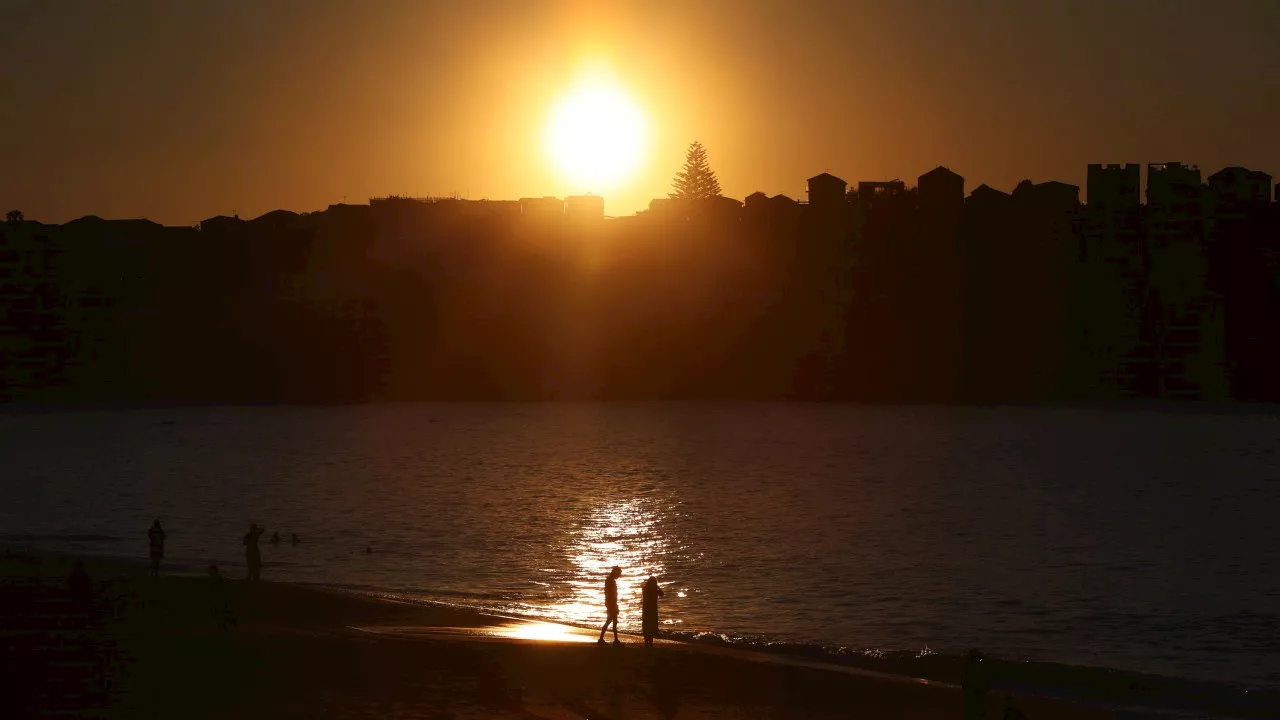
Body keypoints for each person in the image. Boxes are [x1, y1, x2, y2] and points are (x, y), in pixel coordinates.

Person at [597, 566, 622, 645]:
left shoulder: (610, 580)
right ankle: (603, 639)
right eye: (619, 574)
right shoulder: (610, 581)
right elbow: (609, 594)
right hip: (611, 604)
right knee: (610, 621)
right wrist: (612, 605)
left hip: (611, 603)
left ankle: (615, 639)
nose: (619, 576)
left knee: (613, 621)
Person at [641, 575, 665, 648]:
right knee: (646, 625)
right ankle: (646, 642)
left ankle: (650, 642)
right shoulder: (645, 589)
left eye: (654, 583)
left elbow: (662, 595)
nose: (653, 584)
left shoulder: (655, 590)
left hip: (653, 610)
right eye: (653, 582)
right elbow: (646, 598)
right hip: (647, 610)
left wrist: (658, 588)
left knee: (652, 625)